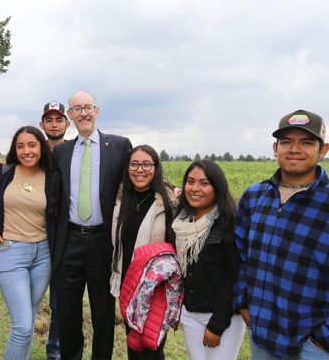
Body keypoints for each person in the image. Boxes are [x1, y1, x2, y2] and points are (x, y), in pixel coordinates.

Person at [234, 109, 329, 359]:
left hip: (314, 347)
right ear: (275, 148)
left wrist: (326, 339)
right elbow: (240, 256)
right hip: (262, 334)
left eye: (306, 142)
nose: (295, 149)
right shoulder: (253, 197)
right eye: (286, 142)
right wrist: (244, 304)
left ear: (323, 150)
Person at [52, 90, 132, 360]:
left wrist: (172, 191)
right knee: (67, 311)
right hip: (70, 240)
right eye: (77, 109)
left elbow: (141, 177)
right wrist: (3, 171)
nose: (83, 113)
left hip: (103, 242)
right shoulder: (61, 151)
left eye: (88, 107)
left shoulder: (120, 146)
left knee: (103, 311)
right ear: (70, 116)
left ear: (97, 111)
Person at [0, 125, 58, 360]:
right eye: (20, 146)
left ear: (42, 147)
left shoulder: (53, 177)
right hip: (11, 251)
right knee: (23, 325)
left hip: (43, 254)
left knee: (29, 318)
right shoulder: (4, 173)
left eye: (32, 145)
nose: (26, 151)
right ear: (14, 149)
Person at [110, 144, 178, 359]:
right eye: (134, 164)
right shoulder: (120, 199)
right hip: (128, 284)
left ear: (156, 167)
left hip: (154, 288)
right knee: (133, 344)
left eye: (146, 164)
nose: (140, 170)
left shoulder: (169, 202)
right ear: (127, 168)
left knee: (152, 347)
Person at [172, 160, 245, 360]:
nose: (195, 188)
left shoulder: (230, 222)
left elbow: (235, 276)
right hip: (190, 313)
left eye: (204, 183)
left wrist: (217, 325)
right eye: (190, 181)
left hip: (222, 317)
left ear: (217, 187)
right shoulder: (181, 223)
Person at [40, 101, 68, 360]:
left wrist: (170, 187)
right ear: (42, 125)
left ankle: (55, 351)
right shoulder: (35, 153)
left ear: (66, 124)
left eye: (58, 119)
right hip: (36, 234)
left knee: (60, 301)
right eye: (49, 120)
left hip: (66, 236)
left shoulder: (75, 151)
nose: (54, 124)